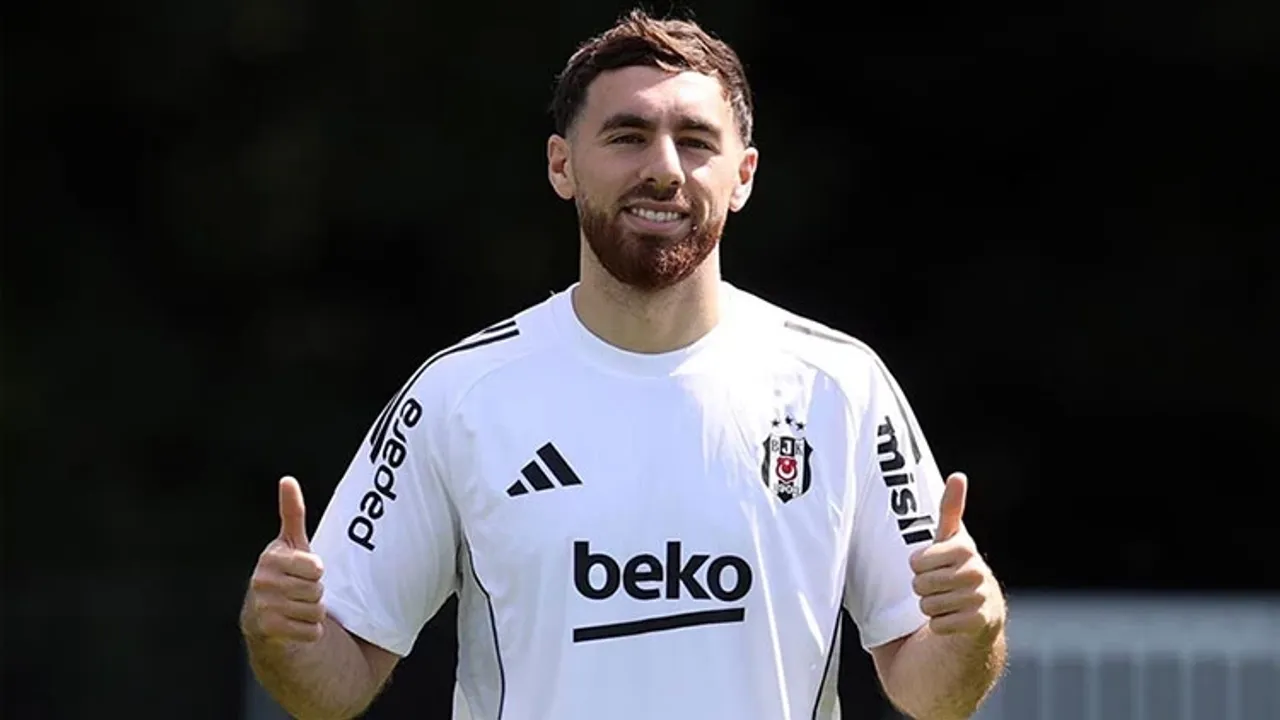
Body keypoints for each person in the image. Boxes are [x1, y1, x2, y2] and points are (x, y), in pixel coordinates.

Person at [239, 9, 1008, 720]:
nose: (664, 168)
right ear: (562, 165)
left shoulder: (839, 386)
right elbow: (333, 682)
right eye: (628, 136)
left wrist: (974, 630)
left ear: (742, 175)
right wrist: (278, 632)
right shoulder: (462, 396)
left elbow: (930, 690)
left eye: (696, 141)